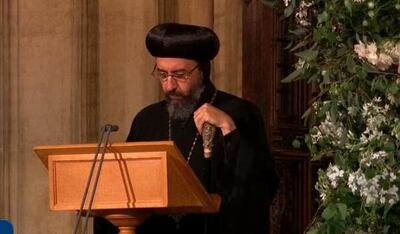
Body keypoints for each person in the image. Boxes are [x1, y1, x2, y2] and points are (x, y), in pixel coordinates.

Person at [94, 22, 278, 234]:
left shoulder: (240, 113)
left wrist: (229, 129)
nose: (169, 85)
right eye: (163, 74)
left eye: (180, 75)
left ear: (202, 71)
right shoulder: (147, 119)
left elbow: (260, 190)